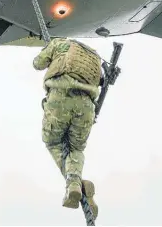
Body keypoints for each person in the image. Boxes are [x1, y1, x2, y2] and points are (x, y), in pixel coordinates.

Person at [33, 37, 102, 216]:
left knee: (53, 142)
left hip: (60, 96)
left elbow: (38, 64)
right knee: (76, 148)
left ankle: (74, 184)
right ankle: (75, 183)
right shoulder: (95, 57)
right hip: (87, 105)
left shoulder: (58, 43)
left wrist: (46, 51)